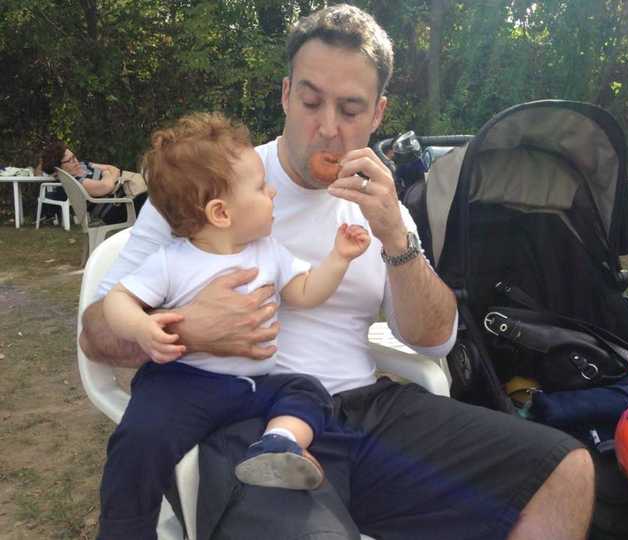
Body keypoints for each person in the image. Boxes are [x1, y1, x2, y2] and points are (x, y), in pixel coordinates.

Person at [81, 4, 595, 540]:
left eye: (350, 109)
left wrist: (396, 238)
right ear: (285, 95)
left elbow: (434, 340)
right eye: (310, 101)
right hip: (245, 419)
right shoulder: (206, 187)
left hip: (362, 412)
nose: (327, 128)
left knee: (564, 468)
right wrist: (185, 329)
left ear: (378, 114)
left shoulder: (381, 204)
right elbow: (96, 338)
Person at [97, 112, 370, 538]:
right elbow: (118, 299)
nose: (273, 192)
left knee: (307, 390)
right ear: (221, 212)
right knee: (140, 441)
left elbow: (304, 292)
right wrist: (141, 328)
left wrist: (339, 258)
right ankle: (125, 530)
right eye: (261, 188)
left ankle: (279, 442)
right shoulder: (175, 261)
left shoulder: (269, 251)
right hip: (182, 384)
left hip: (251, 386)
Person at [40, 140, 147, 224]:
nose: (76, 161)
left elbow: (114, 169)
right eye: (70, 160)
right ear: (60, 168)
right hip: (119, 208)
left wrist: (109, 175)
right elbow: (107, 186)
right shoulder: (77, 182)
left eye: (74, 157)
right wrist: (106, 174)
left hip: (128, 195)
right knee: (154, 198)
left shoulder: (83, 165)